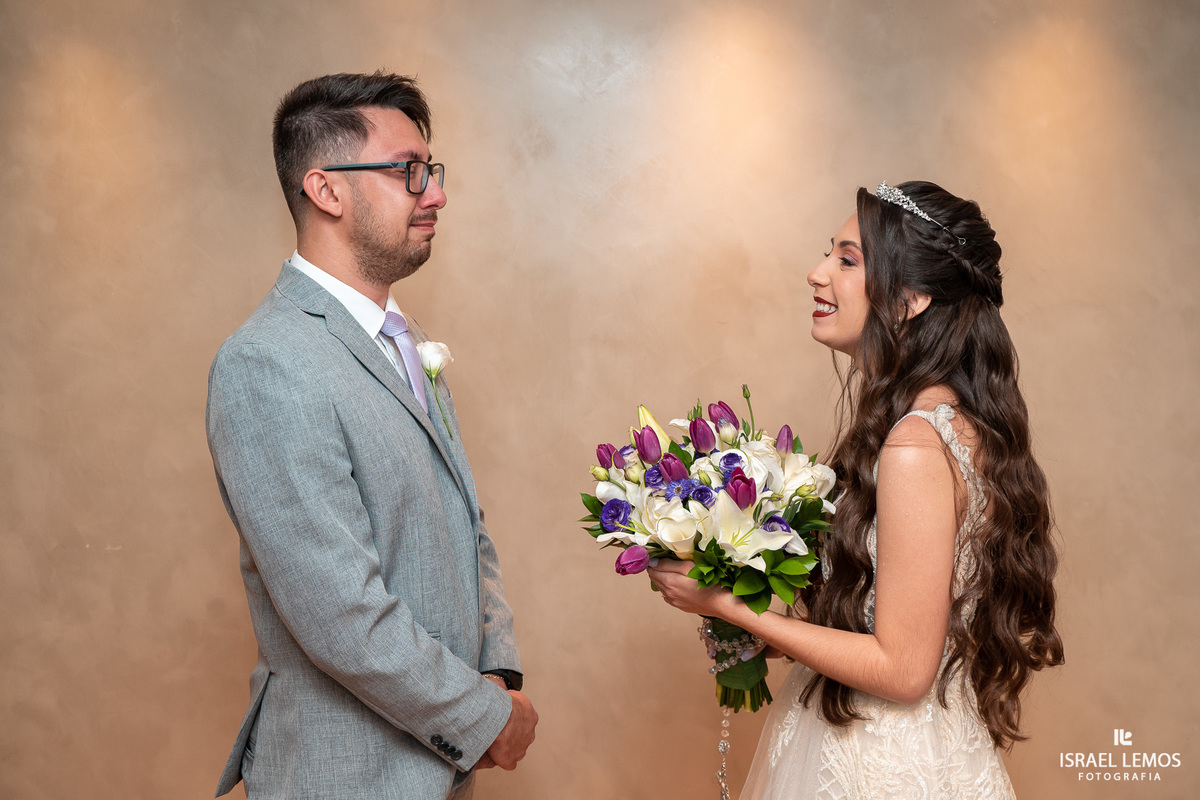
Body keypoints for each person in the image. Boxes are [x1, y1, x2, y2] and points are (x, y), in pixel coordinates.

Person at [649, 181, 1064, 798]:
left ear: (910, 299)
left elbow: (903, 670)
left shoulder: (914, 445)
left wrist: (728, 606)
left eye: (847, 260)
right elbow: (889, 618)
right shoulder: (941, 422)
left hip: (878, 766)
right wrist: (757, 616)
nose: (817, 273)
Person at [206, 72, 536, 800]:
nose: (436, 193)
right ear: (326, 190)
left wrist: (498, 673)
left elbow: (465, 524)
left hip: (440, 770)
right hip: (344, 776)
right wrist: (484, 717)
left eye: (432, 170)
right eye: (408, 171)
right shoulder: (267, 361)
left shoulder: (402, 337)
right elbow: (339, 612)